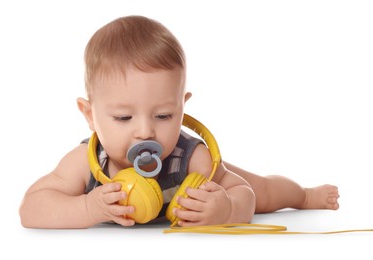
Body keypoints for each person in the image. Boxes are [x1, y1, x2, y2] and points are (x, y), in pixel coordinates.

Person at [19, 15, 339, 229]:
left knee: (265, 192)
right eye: (123, 117)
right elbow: (31, 208)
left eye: (164, 116)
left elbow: (245, 194)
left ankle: (305, 195)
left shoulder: (188, 157)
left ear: (182, 109)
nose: (145, 131)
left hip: (213, 181)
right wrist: (88, 209)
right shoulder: (87, 163)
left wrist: (226, 209)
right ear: (90, 115)